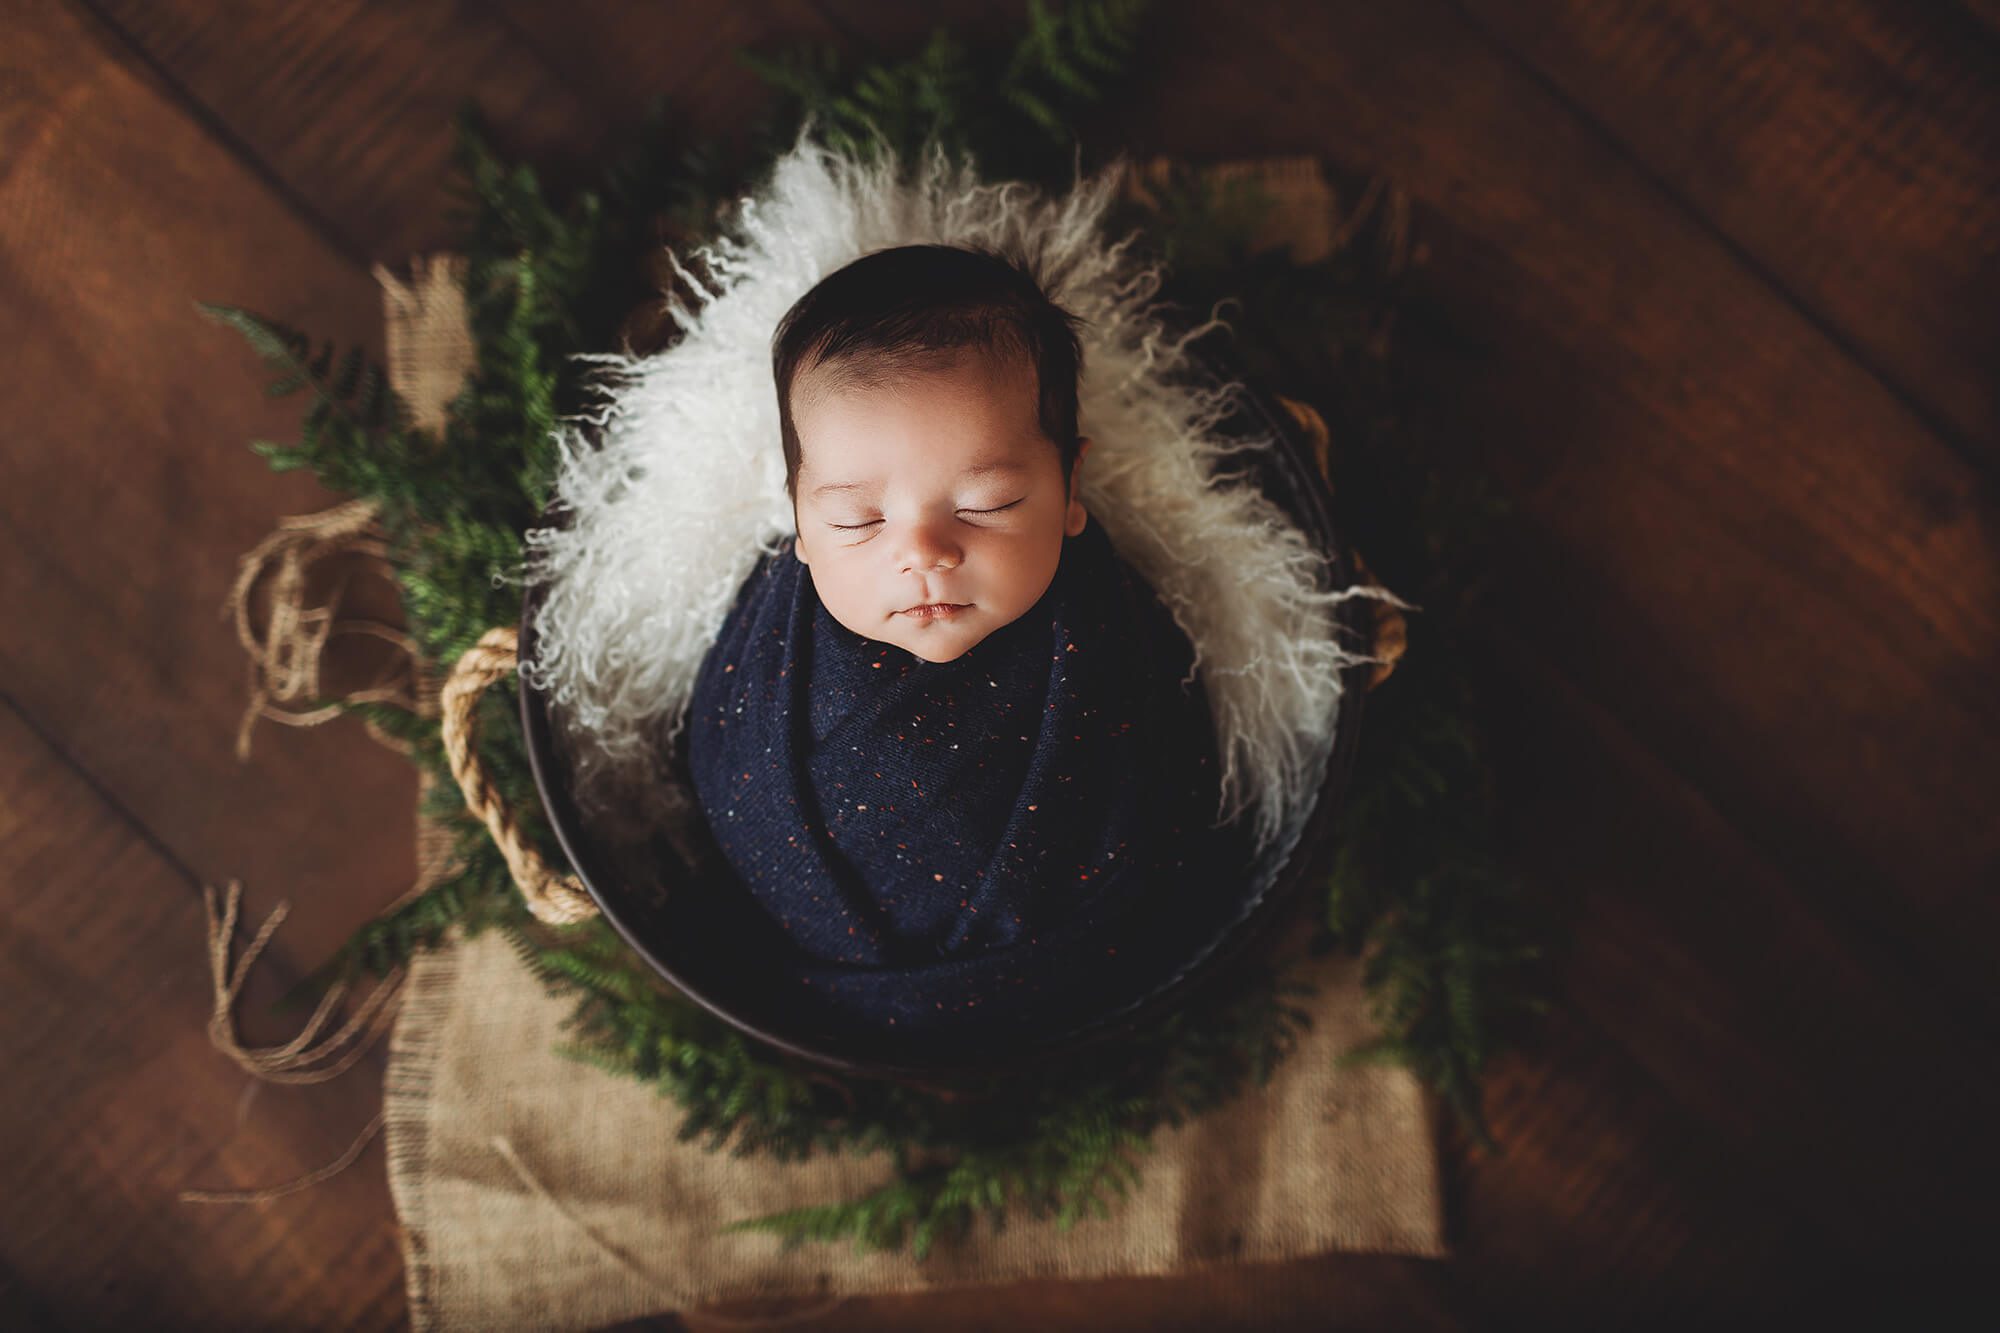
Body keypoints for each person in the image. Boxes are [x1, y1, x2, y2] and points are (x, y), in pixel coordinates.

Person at [684, 244, 1251, 1040]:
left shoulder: (1116, 633)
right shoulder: (771, 649)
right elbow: (715, 761)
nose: (923, 552)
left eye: (987, 504)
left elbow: (1176, 789)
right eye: (858, 520)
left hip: (1078, 1000)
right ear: (800, 524)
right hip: (806, 993)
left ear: (1070, 489)